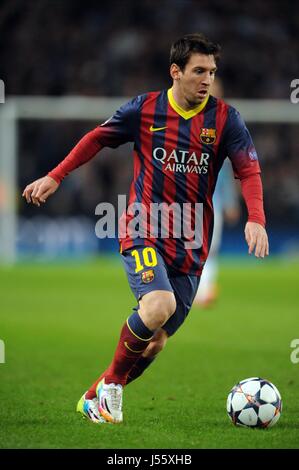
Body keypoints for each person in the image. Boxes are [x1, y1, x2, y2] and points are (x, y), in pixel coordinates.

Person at [22, 33, 269, 425]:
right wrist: (56, 176)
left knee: (155, 341)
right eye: (199, 71)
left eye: (212, 72)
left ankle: (93, 397)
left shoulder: (226, 119)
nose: (207, 79)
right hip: (144, 226)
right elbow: (97, 139)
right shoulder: (145, 109)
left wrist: (256, 216)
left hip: (192, 239)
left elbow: (249, 170)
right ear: (176, 72)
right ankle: (112, 390)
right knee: (158, 305)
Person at [194, 77, 240, 307]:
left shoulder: (225, 125)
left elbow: (227, 167)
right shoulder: (186, 119)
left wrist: (230, 200)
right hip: (185, 196)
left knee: (210, 246)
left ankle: (205, 289)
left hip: (213, 199)